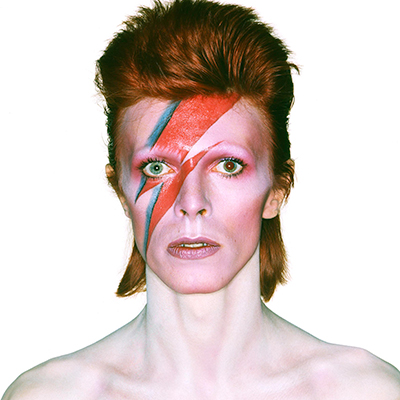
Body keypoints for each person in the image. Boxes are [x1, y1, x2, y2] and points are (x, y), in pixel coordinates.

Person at [3, 0, 400, 398]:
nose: (191, 202)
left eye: (228, 165)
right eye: (156, 168)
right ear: (121, 191)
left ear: (277, 189)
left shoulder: (363, 391)